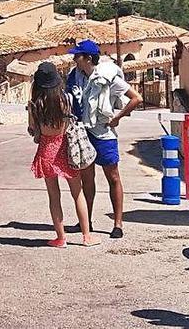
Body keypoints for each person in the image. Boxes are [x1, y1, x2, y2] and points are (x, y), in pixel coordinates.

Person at [65, 39, 142, 239]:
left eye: (77, 56)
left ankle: (118, 224)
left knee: (113, 177)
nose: (74, 59)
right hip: (83, 133)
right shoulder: (74, 77)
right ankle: (85, 221)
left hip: (104, 135)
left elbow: (136, 98)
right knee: (87, 179)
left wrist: (118, 117)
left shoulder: (108, 77)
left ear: (88, 58)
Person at [28, 62, 100, 248]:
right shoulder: (65, 100)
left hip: (46, 152)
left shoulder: (35, 105)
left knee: (54, 196)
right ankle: (86, 236)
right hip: (66, 150)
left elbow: (32, 129)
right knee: (78, 193)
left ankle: (61, 238)